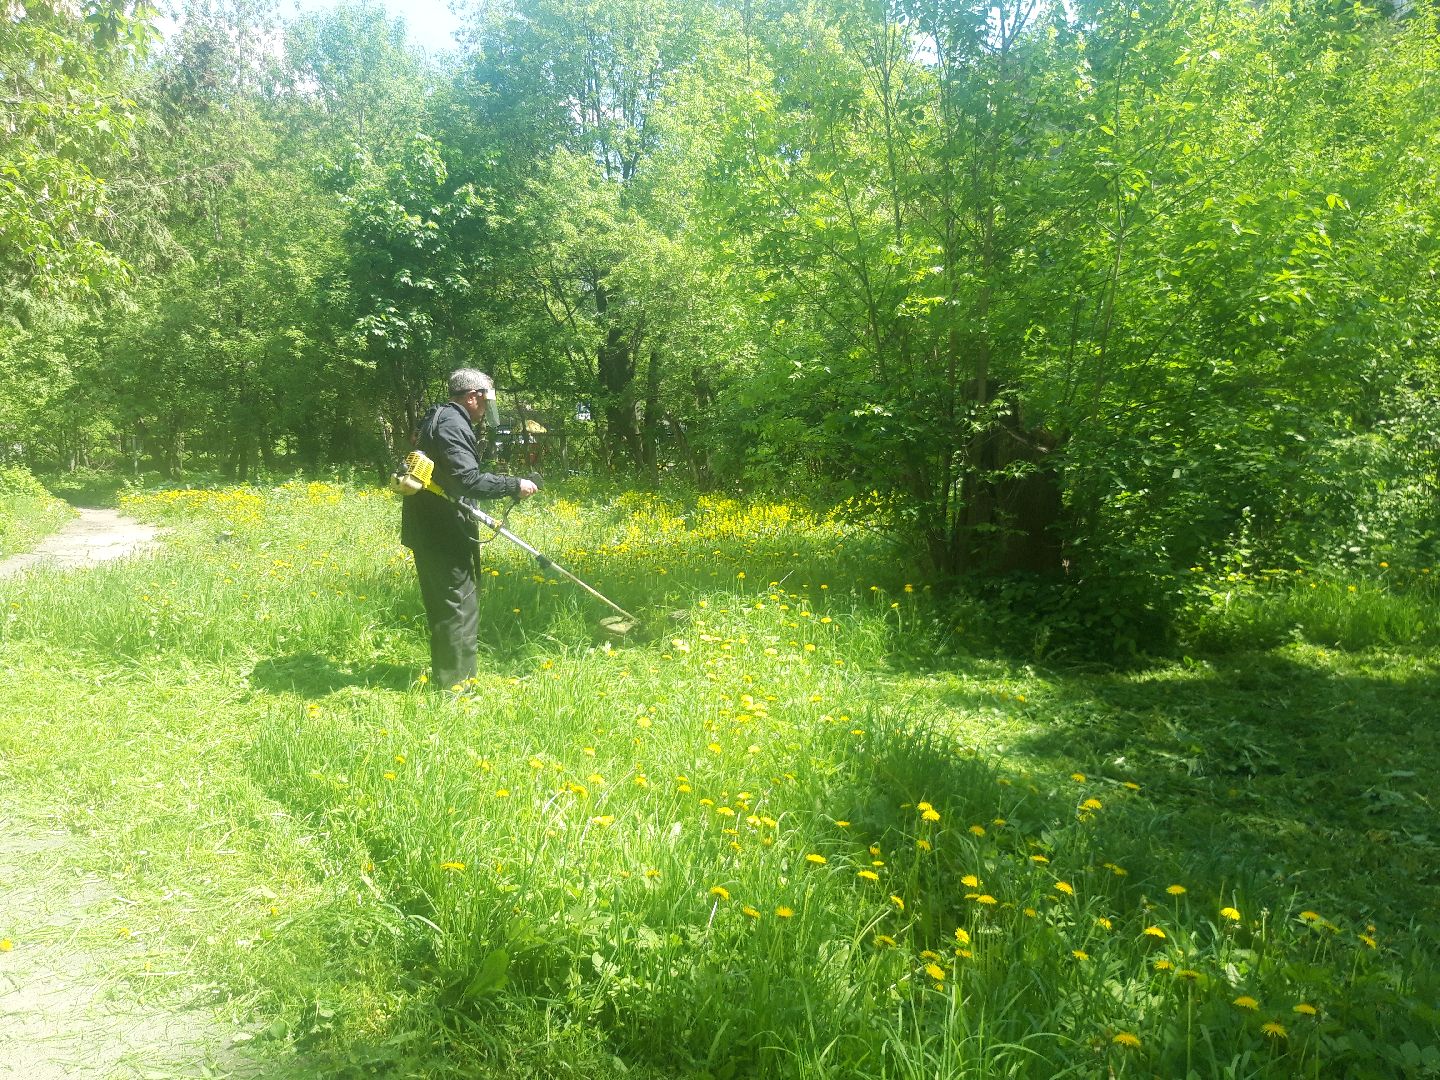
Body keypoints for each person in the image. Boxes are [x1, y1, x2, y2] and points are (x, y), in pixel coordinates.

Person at [401, 368, 537, 690]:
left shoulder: (438, 417)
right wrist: (514, 484)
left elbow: (450, 477)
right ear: (473, 396)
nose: (487, 410)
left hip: (433, 527)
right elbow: (467, 479)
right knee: (458, 608)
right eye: (486, 401)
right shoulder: (452, 423)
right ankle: (457, 688)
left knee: (450, 605)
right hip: (441, 531)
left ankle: (450, 680)